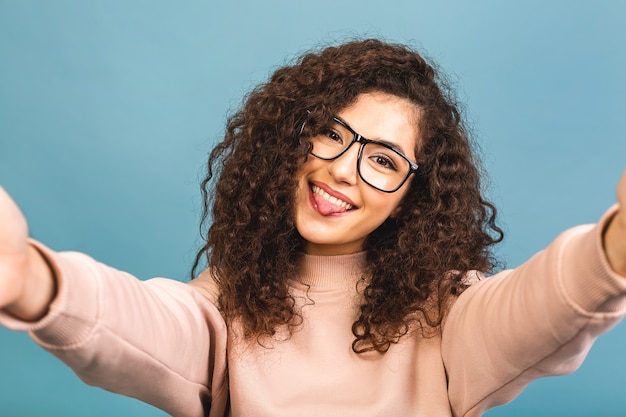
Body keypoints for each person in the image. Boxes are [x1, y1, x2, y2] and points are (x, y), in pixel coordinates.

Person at [0, 38, 625, 417]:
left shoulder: (449, 312)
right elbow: (145, 324)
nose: (342, 170)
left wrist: (613, 251)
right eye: (331, 132)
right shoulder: (227, 301)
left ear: (412, 197)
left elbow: (535, 306)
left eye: (383, 160)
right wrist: (31, 278)